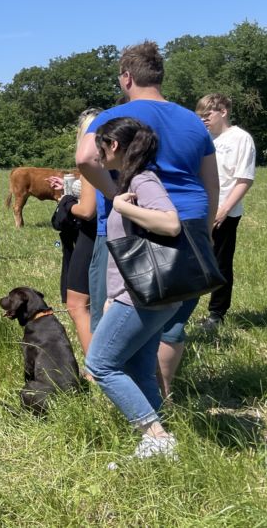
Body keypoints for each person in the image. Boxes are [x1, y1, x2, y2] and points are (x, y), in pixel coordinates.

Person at [75, 42, 217, 399]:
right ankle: (163, 398)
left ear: (126, 77)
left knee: (117, 316)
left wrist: (113, 195)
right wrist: (207, 229)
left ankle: (136, 410)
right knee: (170, 320)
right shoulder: (192, 120)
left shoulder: (115, 117)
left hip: (135, 232)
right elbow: (211, 182)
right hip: (191, 223)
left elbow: (85, 159)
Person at [84, 117, 183, 462]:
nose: (97, 154)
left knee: (101, 364)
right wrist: (112, 296)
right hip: (146, 295)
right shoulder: (135, 179)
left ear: (113, 146)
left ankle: (156, 437)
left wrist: (123, 205)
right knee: (140, 368)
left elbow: (170, 223)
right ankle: (160, 439)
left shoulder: (143, 180)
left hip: (142, 296)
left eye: (100, 146)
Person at [196, 93, 256, 331]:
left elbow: (244, 179)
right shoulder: (204, 139)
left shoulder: (241, 139)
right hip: (200, 209)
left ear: (223, 111)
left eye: (207, 115)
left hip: (224, 212)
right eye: (200, 116)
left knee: (219, 263)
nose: (203, 120)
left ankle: (216, 314)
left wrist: (223, 210)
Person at [47, 108, 101, 355]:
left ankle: (95, 368)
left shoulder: (92, 160)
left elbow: (88, 210)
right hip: (109, 231)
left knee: (77, 304)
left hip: (91, 235)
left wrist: (66, 203)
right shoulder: (117, 156)